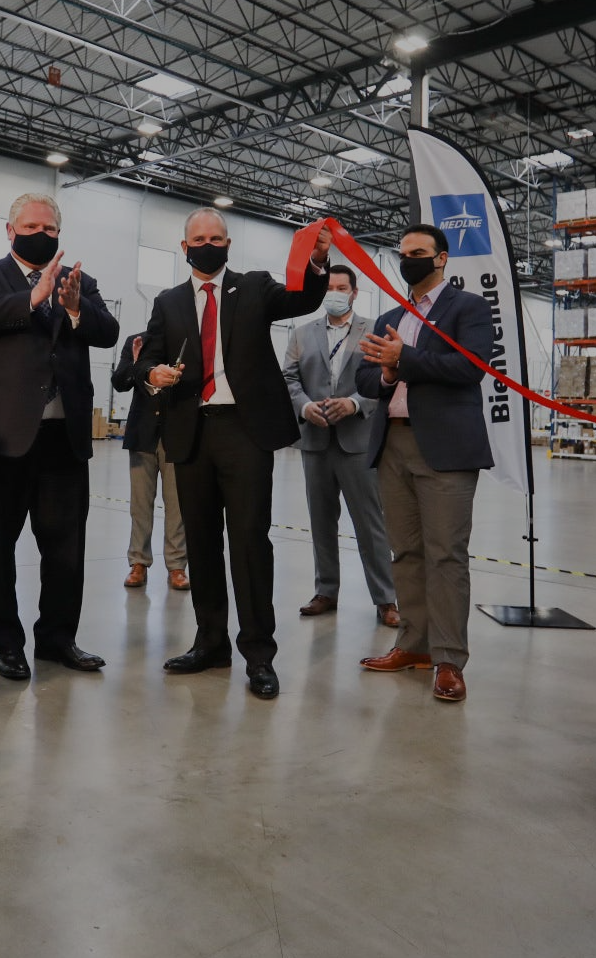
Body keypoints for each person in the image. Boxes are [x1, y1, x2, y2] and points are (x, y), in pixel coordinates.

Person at [135, 207, 330, 700]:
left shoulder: (256, 287)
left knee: (248, 543)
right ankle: (210, 642)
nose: (208, 244)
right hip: (190, 431)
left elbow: (303, 296)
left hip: (245, 431)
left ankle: (259, 654)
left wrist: (317, 263)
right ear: (184, 248)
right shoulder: (169, 300)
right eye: (198, 237)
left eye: (216, 237)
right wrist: (151, 373)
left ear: (228, 244)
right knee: (200, 543)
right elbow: (148, 355)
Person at [0, 193, 119, 681]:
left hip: (61, 438)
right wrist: (34, 297)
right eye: (32, 226)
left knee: (65, 548)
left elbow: (107, 331)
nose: (41, 235)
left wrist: (75, 306)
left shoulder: (79, 282)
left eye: (50, 229)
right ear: (10, 229)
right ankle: (7, 644)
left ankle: (58, 638)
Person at [355, 223, 494, 704]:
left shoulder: (469, 308)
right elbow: (365, 377)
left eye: (418, 252)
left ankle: (449, 659)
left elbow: (470, 366)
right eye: (403, 252)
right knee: (406, 552)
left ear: (441, 259)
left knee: (446, 555)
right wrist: (389, 371)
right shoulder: (390, 315)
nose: (407, 259)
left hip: (445, 451)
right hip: (392, 445)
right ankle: (412, 645)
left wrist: (405, 358)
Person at [283, 265, 397, 627]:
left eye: (341, 287)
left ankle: (386, 599)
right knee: (321, 521)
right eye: (329, 286)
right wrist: (304, 406)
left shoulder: (373, 330)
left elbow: (385, 380)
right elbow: (289, 378)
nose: (335, 292)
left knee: (370, 524)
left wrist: (355, 404)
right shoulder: (301, 333)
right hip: (315, 440)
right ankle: (326, 590)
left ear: (354, 292)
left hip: (357, 441)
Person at [111, 332, 188, 591]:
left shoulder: (184, 342)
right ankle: (138, 563)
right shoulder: (137, 342)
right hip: (142, 434)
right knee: (140, 504)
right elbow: (119, 381)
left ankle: (177, 566)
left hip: (176, 434)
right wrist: (136, 365)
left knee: (177, 504)